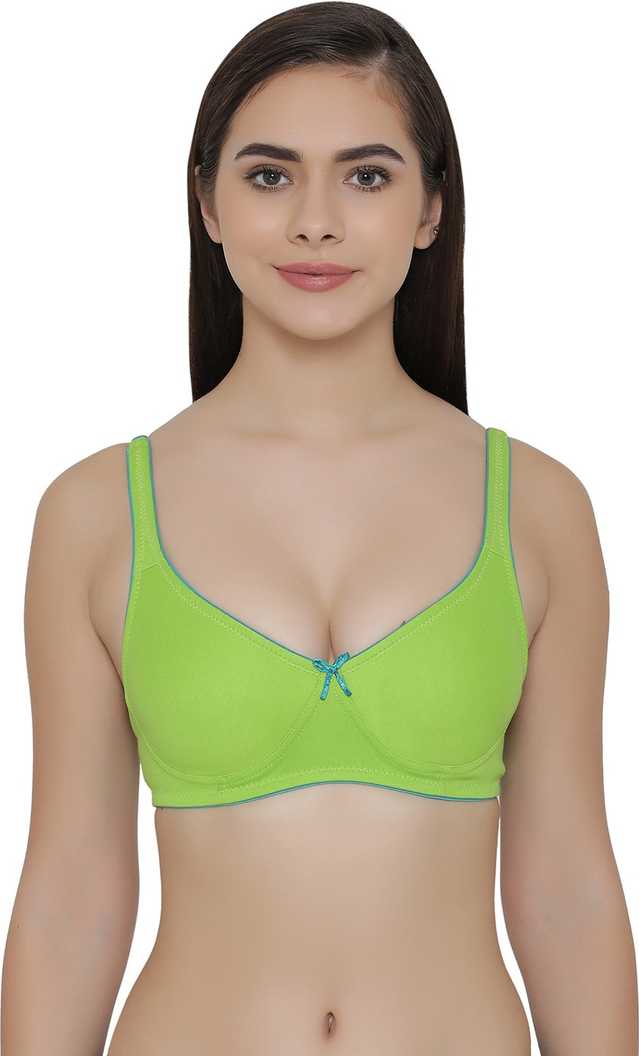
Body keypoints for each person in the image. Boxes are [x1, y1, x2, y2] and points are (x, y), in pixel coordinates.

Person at [2, 3, 637, 1053]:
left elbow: (568, 888)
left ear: (432, 207)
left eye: (367, 176)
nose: (315, 222)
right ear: (206, 202)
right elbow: (71, 895)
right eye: (268, 175)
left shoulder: (538, 506)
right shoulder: (94, 513)